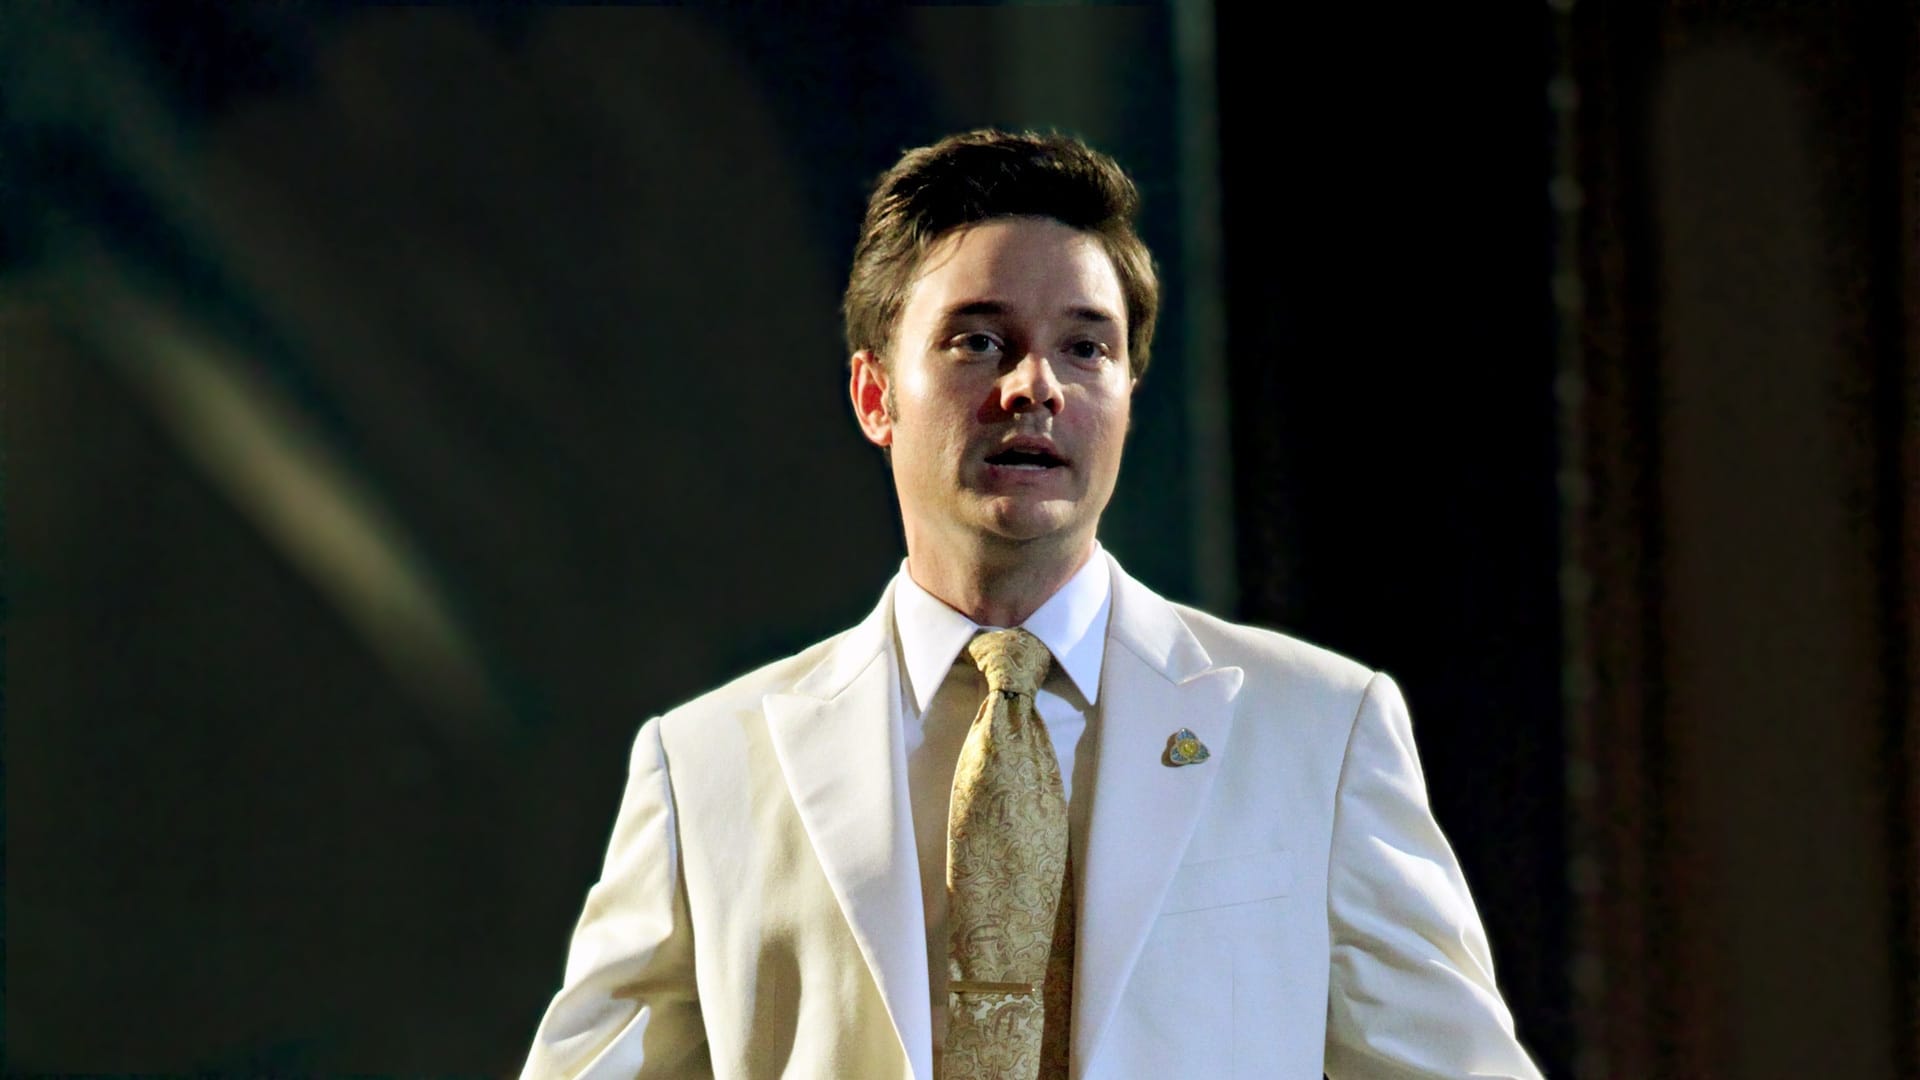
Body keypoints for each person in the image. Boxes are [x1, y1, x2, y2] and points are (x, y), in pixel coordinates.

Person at [520, 129, 1543, 1080]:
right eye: (978, 341)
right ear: (875, 395)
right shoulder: (703, 765)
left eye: (1086, 348)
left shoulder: (1319, 728)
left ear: (1128, 397)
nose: (1034, 387)